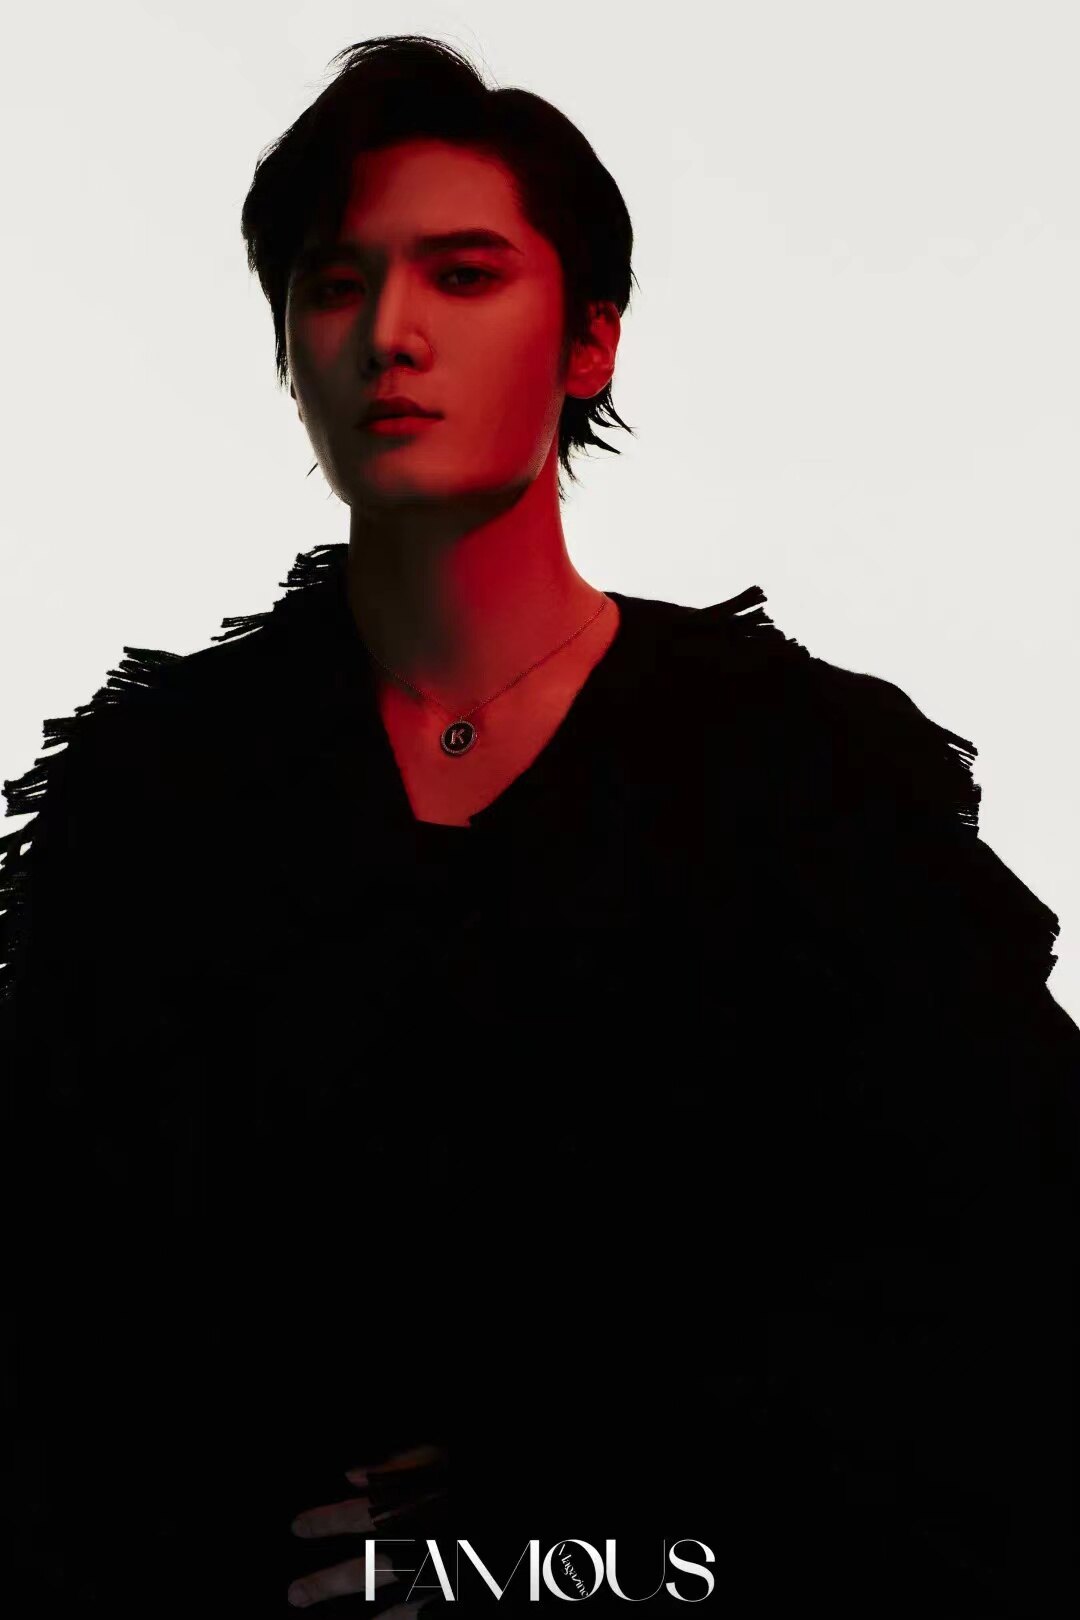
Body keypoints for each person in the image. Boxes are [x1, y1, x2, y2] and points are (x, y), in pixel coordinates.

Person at [2, 34, 1077, 1620]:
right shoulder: (152, 794)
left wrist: (576, 1515)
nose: (391, 334)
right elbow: (51, 1321)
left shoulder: (808, 779)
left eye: (464, 275)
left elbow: (1008, 1279)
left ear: (590, 342)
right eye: (335, 283)